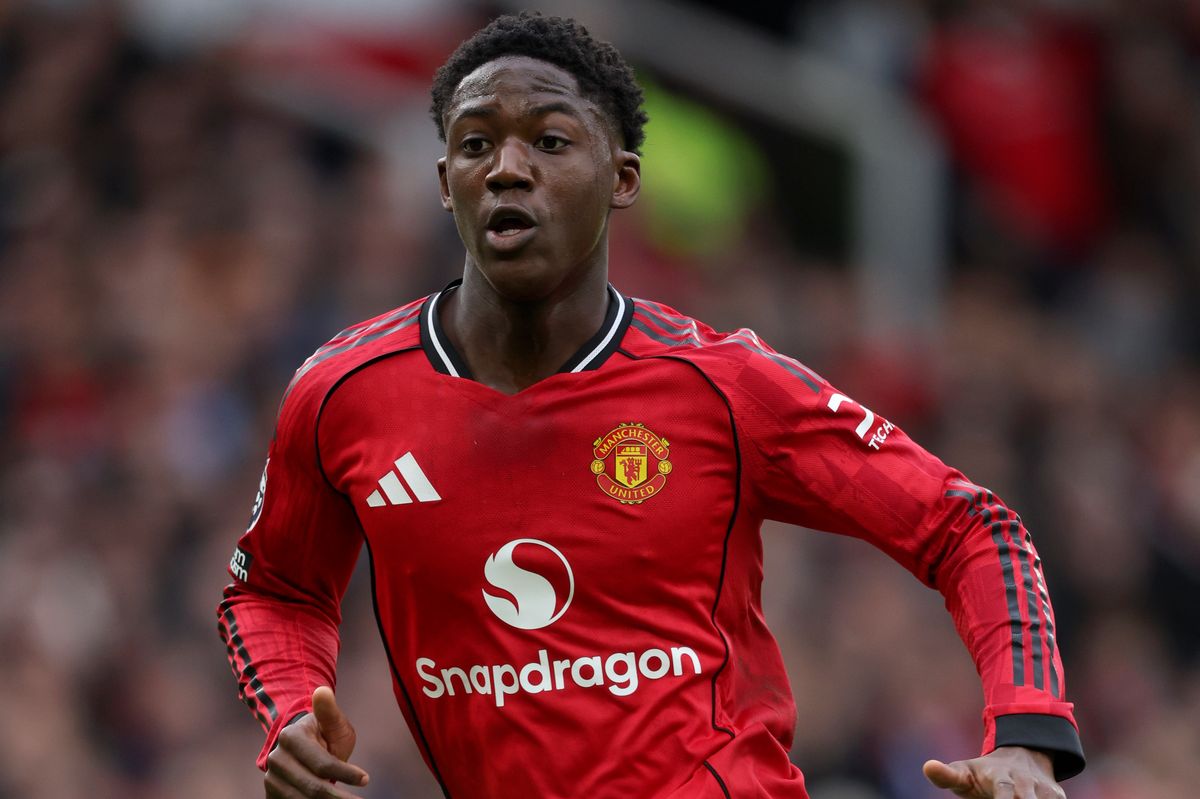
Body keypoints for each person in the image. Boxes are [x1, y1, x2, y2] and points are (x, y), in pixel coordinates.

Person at [218, 12, 1084, 799]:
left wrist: (1025, 732)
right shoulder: (344, 392)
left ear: (623, 177)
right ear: (447, 182)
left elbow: (969, 527)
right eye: (477, 144)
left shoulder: (721, 384)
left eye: (551, 141)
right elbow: (276, 591)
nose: (509, 167)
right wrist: (290, 711)